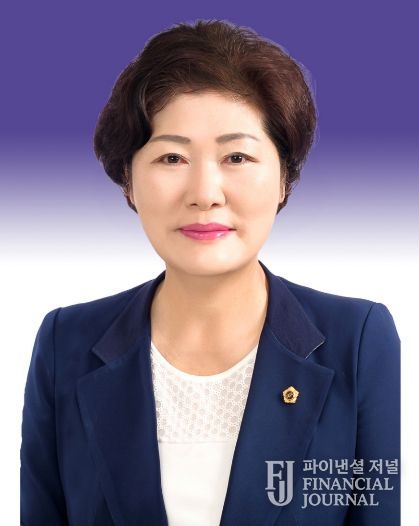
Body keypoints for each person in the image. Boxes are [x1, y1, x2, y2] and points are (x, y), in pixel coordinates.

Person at [20, 18, 400, 526]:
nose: (204, 193)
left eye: (236, 156)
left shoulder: (358, 341)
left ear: (284, 179)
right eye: (172, 157)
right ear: (129, 180)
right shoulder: (65, 343)